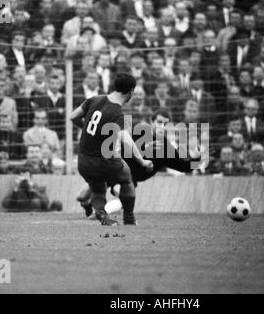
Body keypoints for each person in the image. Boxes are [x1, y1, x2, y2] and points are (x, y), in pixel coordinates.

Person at [76, 108, 202, 217]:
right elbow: (122, 144)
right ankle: (87, 205)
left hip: (127, 178)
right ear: (151, 122)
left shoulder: (165, 147)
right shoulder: (138, 132)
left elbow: (183, 167)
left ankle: (98, 214)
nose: (161, 127)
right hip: (112, 167)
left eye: (166, 124)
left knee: (126, 198)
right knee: (81, 197)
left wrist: (198, 159)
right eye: (159, 122)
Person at [70, 73, 153, 226]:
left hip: (83, 161)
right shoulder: (117, 112)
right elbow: (125, 139)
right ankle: (129, 219)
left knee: (98, 189)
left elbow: (73, 116)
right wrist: (142, 161)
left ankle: (102, 214)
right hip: (104, 161)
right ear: (131, 91)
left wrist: (89, 131)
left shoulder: (95, 99)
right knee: (127, 178)